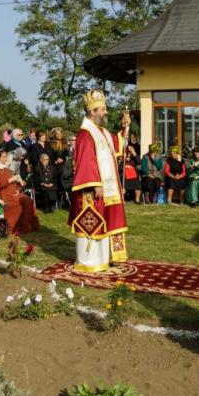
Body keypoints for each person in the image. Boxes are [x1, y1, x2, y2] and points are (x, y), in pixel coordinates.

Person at [68, 90, 130, 272]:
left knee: (106, 221)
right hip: (93, 190)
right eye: (102, 109)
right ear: (92, 111)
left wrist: (124, 127)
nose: (106, 112)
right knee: (93, 223)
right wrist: (95, 184)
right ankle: (89, 261)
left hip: (107, 190)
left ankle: (103, 259)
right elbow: (86, 161)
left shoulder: (101, 131)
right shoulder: (85, 134)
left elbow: (115, 147)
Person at [0, 149, 41, 235]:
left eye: (6, 157)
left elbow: (14, 184)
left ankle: (29, 226)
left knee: (28, 200)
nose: (6, 159)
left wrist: (18, 187)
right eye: (3, 157)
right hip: (4, 195)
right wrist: (10, 180)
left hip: (13, 192)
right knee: (23, 202)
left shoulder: (7, 169)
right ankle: (18, 227)